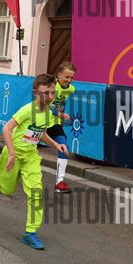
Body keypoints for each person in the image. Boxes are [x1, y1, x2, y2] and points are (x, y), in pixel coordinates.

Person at [0, 74, 69, 250]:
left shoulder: (48, 112)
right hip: (13, 154)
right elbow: (6, 128)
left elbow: (41, 133)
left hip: (30, 157)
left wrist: (56, 144)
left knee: (36, 193)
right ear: (35, 93)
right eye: (45, 93)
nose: (49, 97)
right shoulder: (28, 110)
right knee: (6, 190)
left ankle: (30, 233)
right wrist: (11, 153)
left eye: (52, 93)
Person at [47, 62, 77, 193]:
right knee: (23, 148)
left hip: (55, 123)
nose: (69, 80)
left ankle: (59, 182)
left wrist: (61, 116)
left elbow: (62, 103)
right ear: (58, 75)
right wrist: (59, 113)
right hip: (40, 120)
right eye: (67, 77)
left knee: (64, 147)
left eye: (72, 77)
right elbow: (43, 104)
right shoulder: (51, 86)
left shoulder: (71, 89)